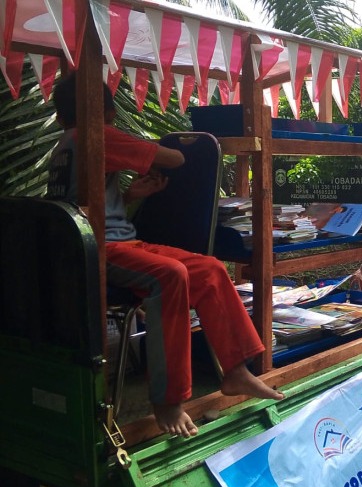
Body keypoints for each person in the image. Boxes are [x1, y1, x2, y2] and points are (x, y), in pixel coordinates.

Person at [46, 74, 283, 438]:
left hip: (115, 242)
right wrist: (140, 147)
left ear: (61, 118)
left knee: (210, 268)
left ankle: (235, 371)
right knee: (169, 276)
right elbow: (174, 158)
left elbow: (86, 206)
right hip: (98, 250)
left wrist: (129, 195)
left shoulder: (64, 145)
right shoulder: (97, 135)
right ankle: (167, 399)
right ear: (108, 113)